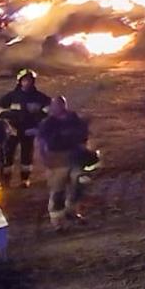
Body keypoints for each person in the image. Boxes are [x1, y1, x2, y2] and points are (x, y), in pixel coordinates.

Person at [35, 96, 90, 231]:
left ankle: (72, 211)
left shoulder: (74, 120)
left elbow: (84, 137)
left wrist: (85, 152)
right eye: (54, 106)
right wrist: (45, 159)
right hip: (56, 160)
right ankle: (57, 221)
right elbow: (42, 143)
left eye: (59, 105)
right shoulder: (48, 124)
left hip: (74, 157)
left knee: (80, 183)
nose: (56, 108)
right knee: (58, 192)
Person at [0, 70, 50, 187]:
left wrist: (39, 118)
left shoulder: (39, 97)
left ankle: (25, 180)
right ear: (20, 81)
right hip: (12, 130)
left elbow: (50, 108)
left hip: (28, 130)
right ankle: (5, 181)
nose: (27, 82)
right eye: (25, 80)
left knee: (27, 155)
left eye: (30, 80)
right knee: (8, 155)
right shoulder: (11, 96)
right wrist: (7, 116)